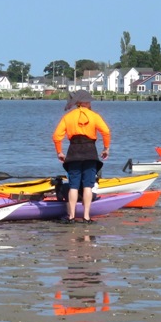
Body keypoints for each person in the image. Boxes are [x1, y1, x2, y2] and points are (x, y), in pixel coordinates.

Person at [52, 90, 111, 224]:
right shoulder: (94, 116)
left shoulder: (68, 117)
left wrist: (59, 152)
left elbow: (56, 136)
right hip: (90, 151)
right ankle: (86, 217)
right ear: (83, 103)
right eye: (89, 101)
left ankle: (71, 216)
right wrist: (106, 148)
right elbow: (106, 132)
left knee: (73, 186)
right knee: (88, 186)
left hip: (74, 151)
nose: (90, 103)